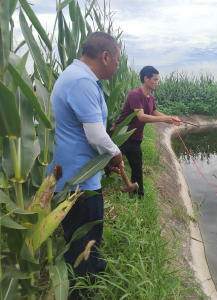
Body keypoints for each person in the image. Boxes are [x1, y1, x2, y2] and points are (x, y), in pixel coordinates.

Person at [47, 32, 124, 296]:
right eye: (117, 59)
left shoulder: (76, 75)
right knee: (82, 244)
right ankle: (81, 292)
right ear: (105, 57)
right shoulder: (82, 81)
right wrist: (115, 154)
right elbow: (95, 135)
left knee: (88, 239)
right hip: (78, 183)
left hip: (78, 176)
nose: (117, 65)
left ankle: (94, 276)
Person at [112, 66, 181, 197]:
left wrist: (170, 119)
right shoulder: (135, 95)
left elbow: (154, 112)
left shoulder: (150, 98)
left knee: (137, 168)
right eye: (154, 79)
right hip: (122, 135)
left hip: (136, 138)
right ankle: (108, 188)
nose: (157, 82)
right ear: (146, 78)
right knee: (112, 163)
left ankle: (139, 196)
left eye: (157, 79)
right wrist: (164, 118)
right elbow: (141, 116)